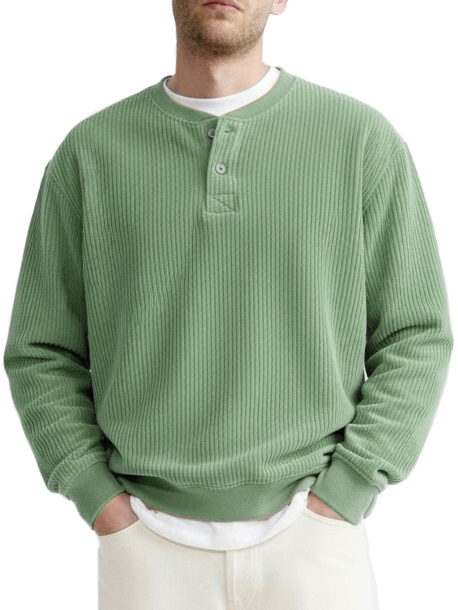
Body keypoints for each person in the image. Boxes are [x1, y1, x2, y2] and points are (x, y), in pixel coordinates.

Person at [3, 0, 454, 608]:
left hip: (316, 541)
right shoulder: (91, 152)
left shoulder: (360, 141)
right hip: (144, 545)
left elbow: (416, 334)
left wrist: (347, 490)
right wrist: (97, 498)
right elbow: (41, 350)